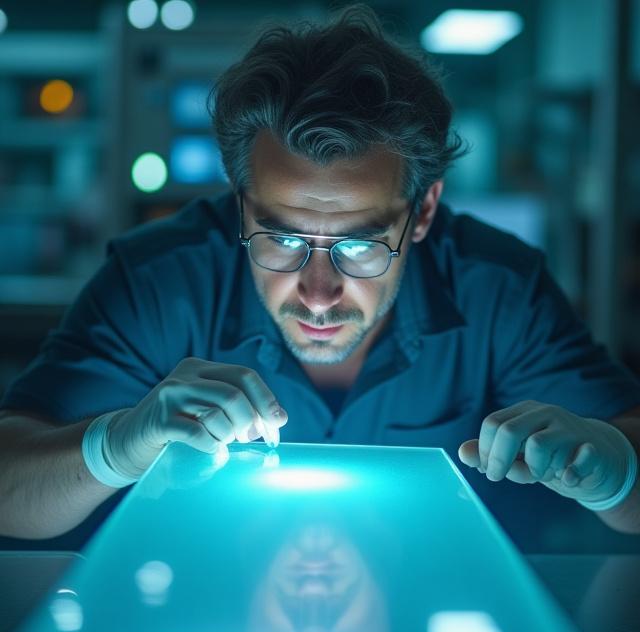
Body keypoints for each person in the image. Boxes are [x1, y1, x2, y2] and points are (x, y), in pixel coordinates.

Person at [1, 5, 639, 545]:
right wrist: (112, 446)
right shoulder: (158, 283)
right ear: (238, 201)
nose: (318, 291)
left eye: (360, 245)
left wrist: (614, 470)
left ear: (422, 212)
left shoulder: (498, 288)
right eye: (281, 237)